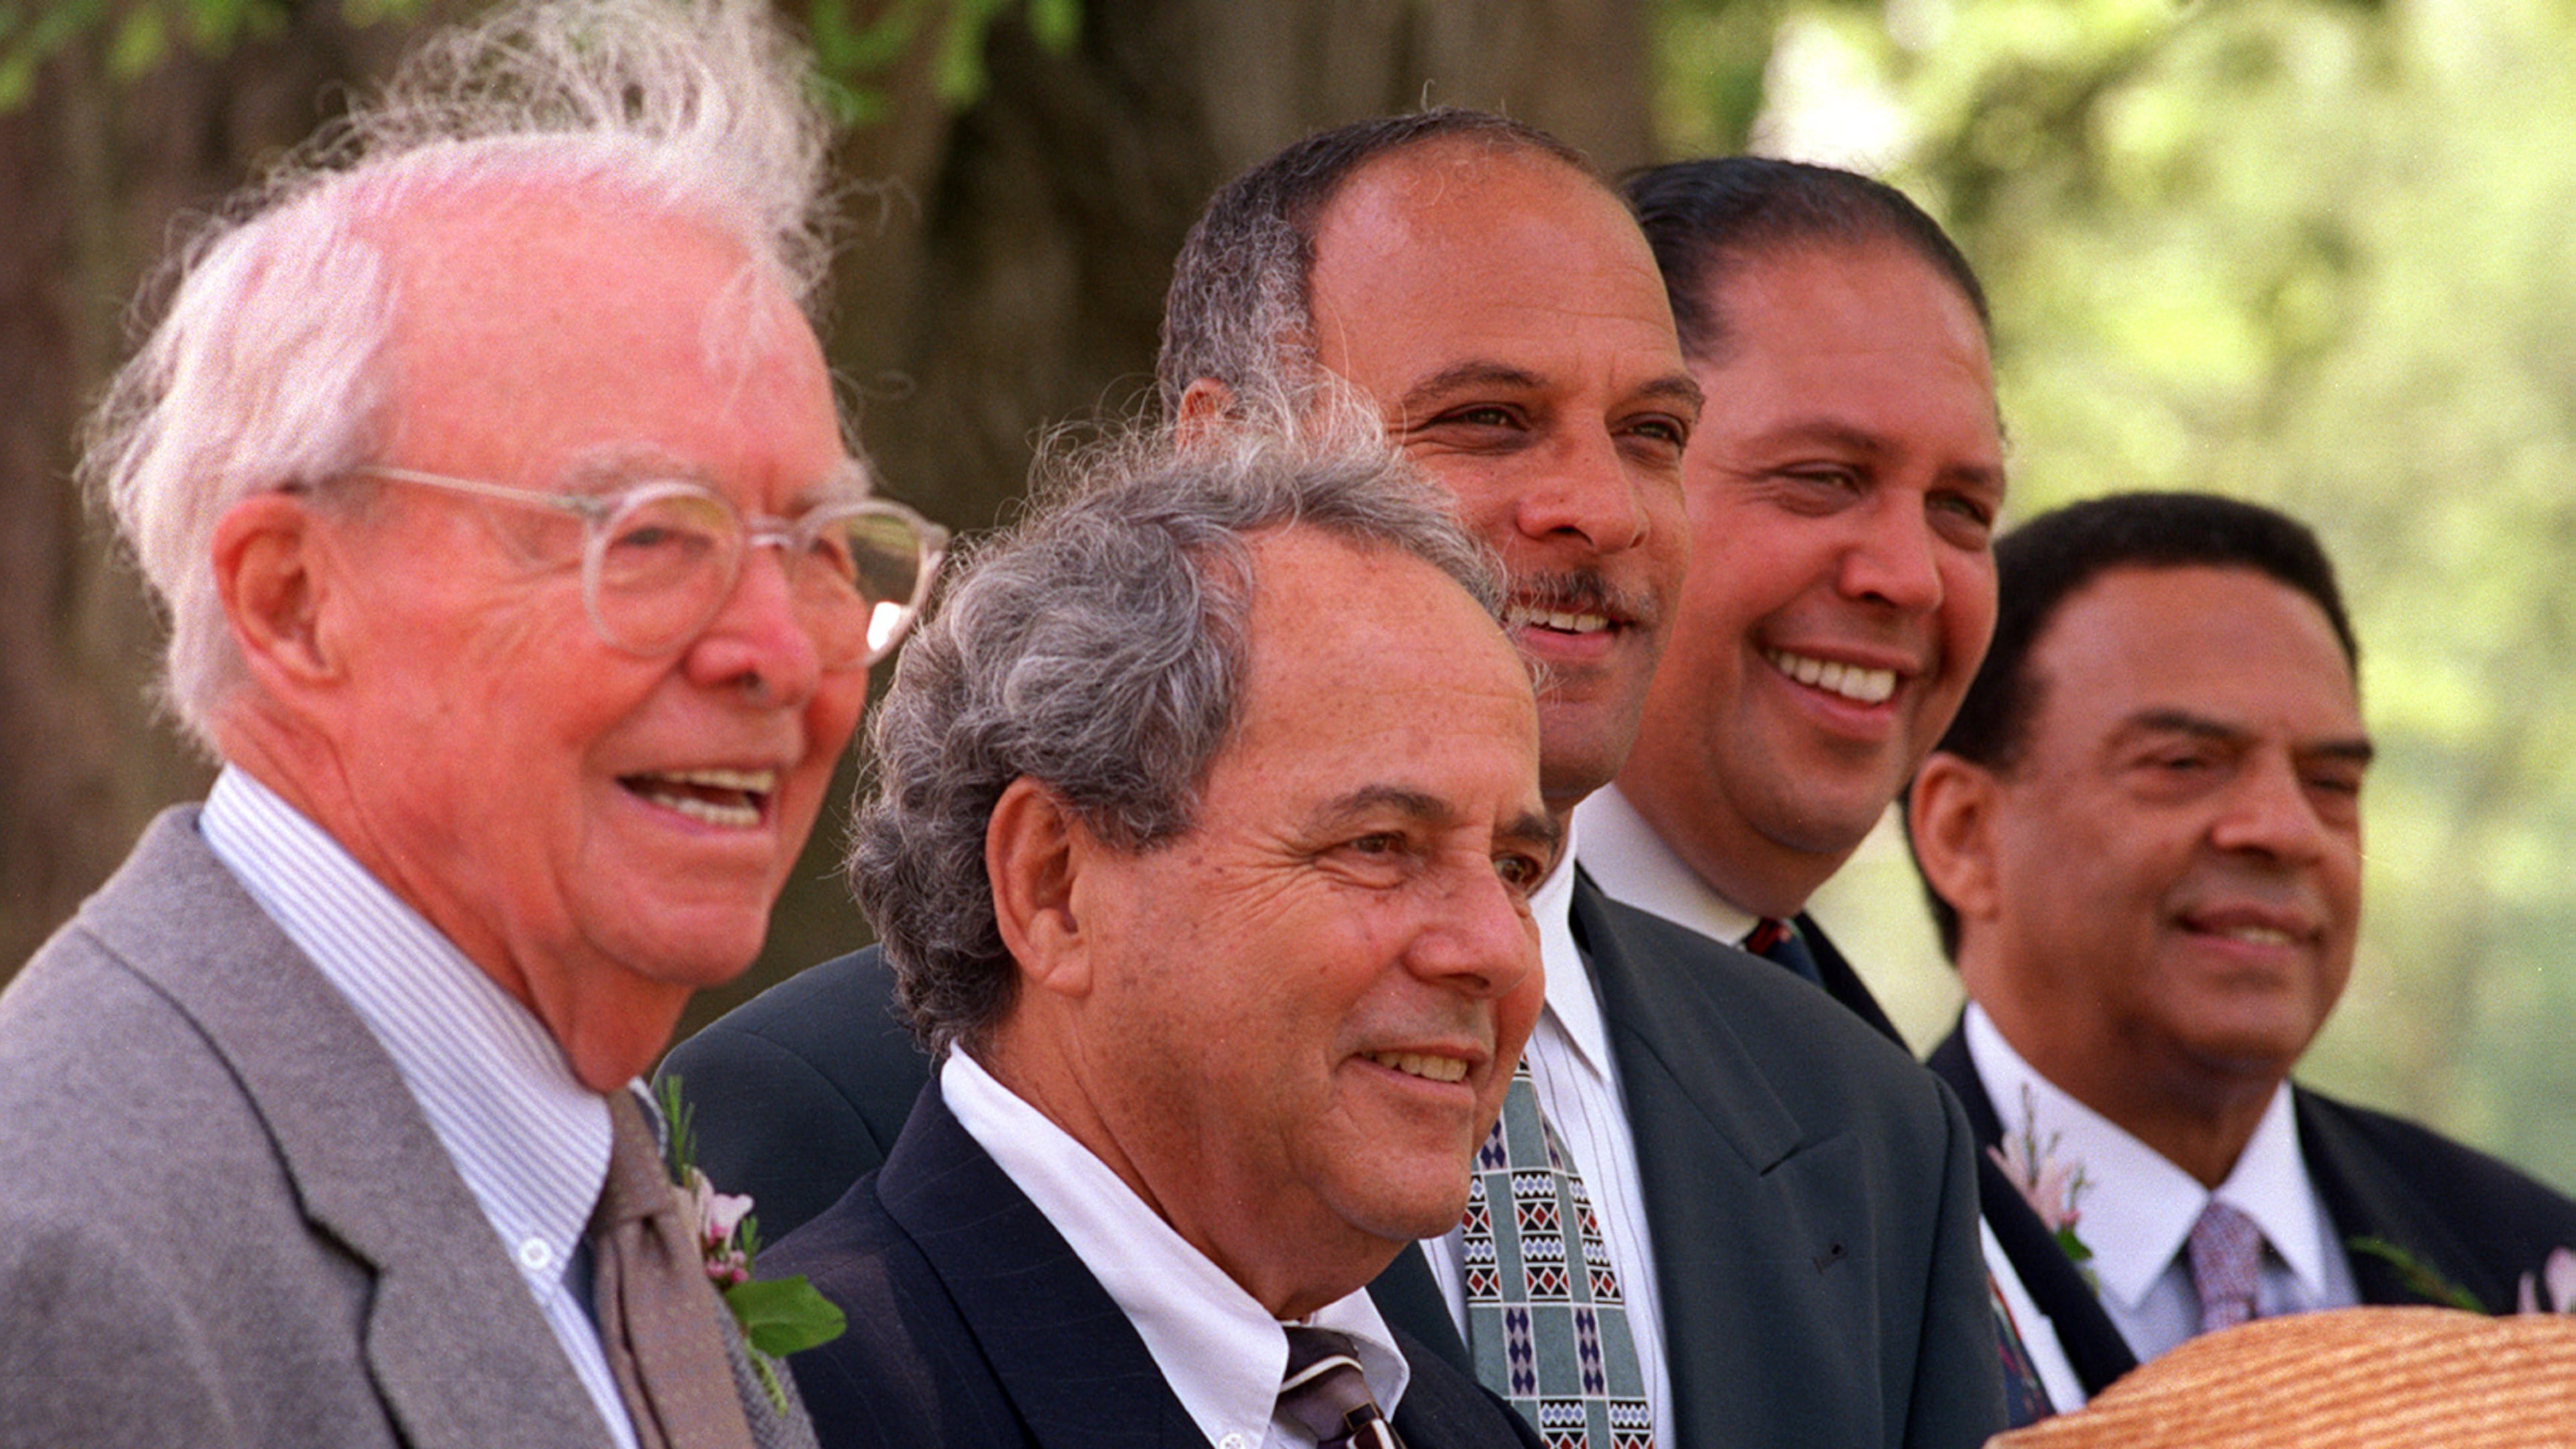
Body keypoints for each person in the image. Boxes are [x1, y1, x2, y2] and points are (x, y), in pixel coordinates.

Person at [670, 113, 2002, 1449]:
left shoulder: (1872, 1125)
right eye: (1488, 419)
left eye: (1655, 432)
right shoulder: (812, 1115)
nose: (1602, 507)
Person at [0, 2, 948, 1444]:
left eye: (822, 549)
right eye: (650, 537)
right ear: (295, 602)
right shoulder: (68, 1263)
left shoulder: (594, 1181)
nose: (776, 653)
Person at [764, 426, 1550, 1448]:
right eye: (1379, 845)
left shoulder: (1468, 1431)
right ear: (1053, 886)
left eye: (1516, 869)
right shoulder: (779, 1411)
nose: (1496, 948)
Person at [1572, 156, 2136, 1414]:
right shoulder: (1452, 1049)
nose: (1911, 577)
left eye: (1963, 509)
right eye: (1824, 478)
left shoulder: (1873, 1083)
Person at [1906, 490, 2576, 1368]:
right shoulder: (1835, 1256)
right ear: (1965, 834)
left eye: (2331, 783)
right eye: (2185, 764)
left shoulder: (2531, 1269)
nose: (2287, 830)